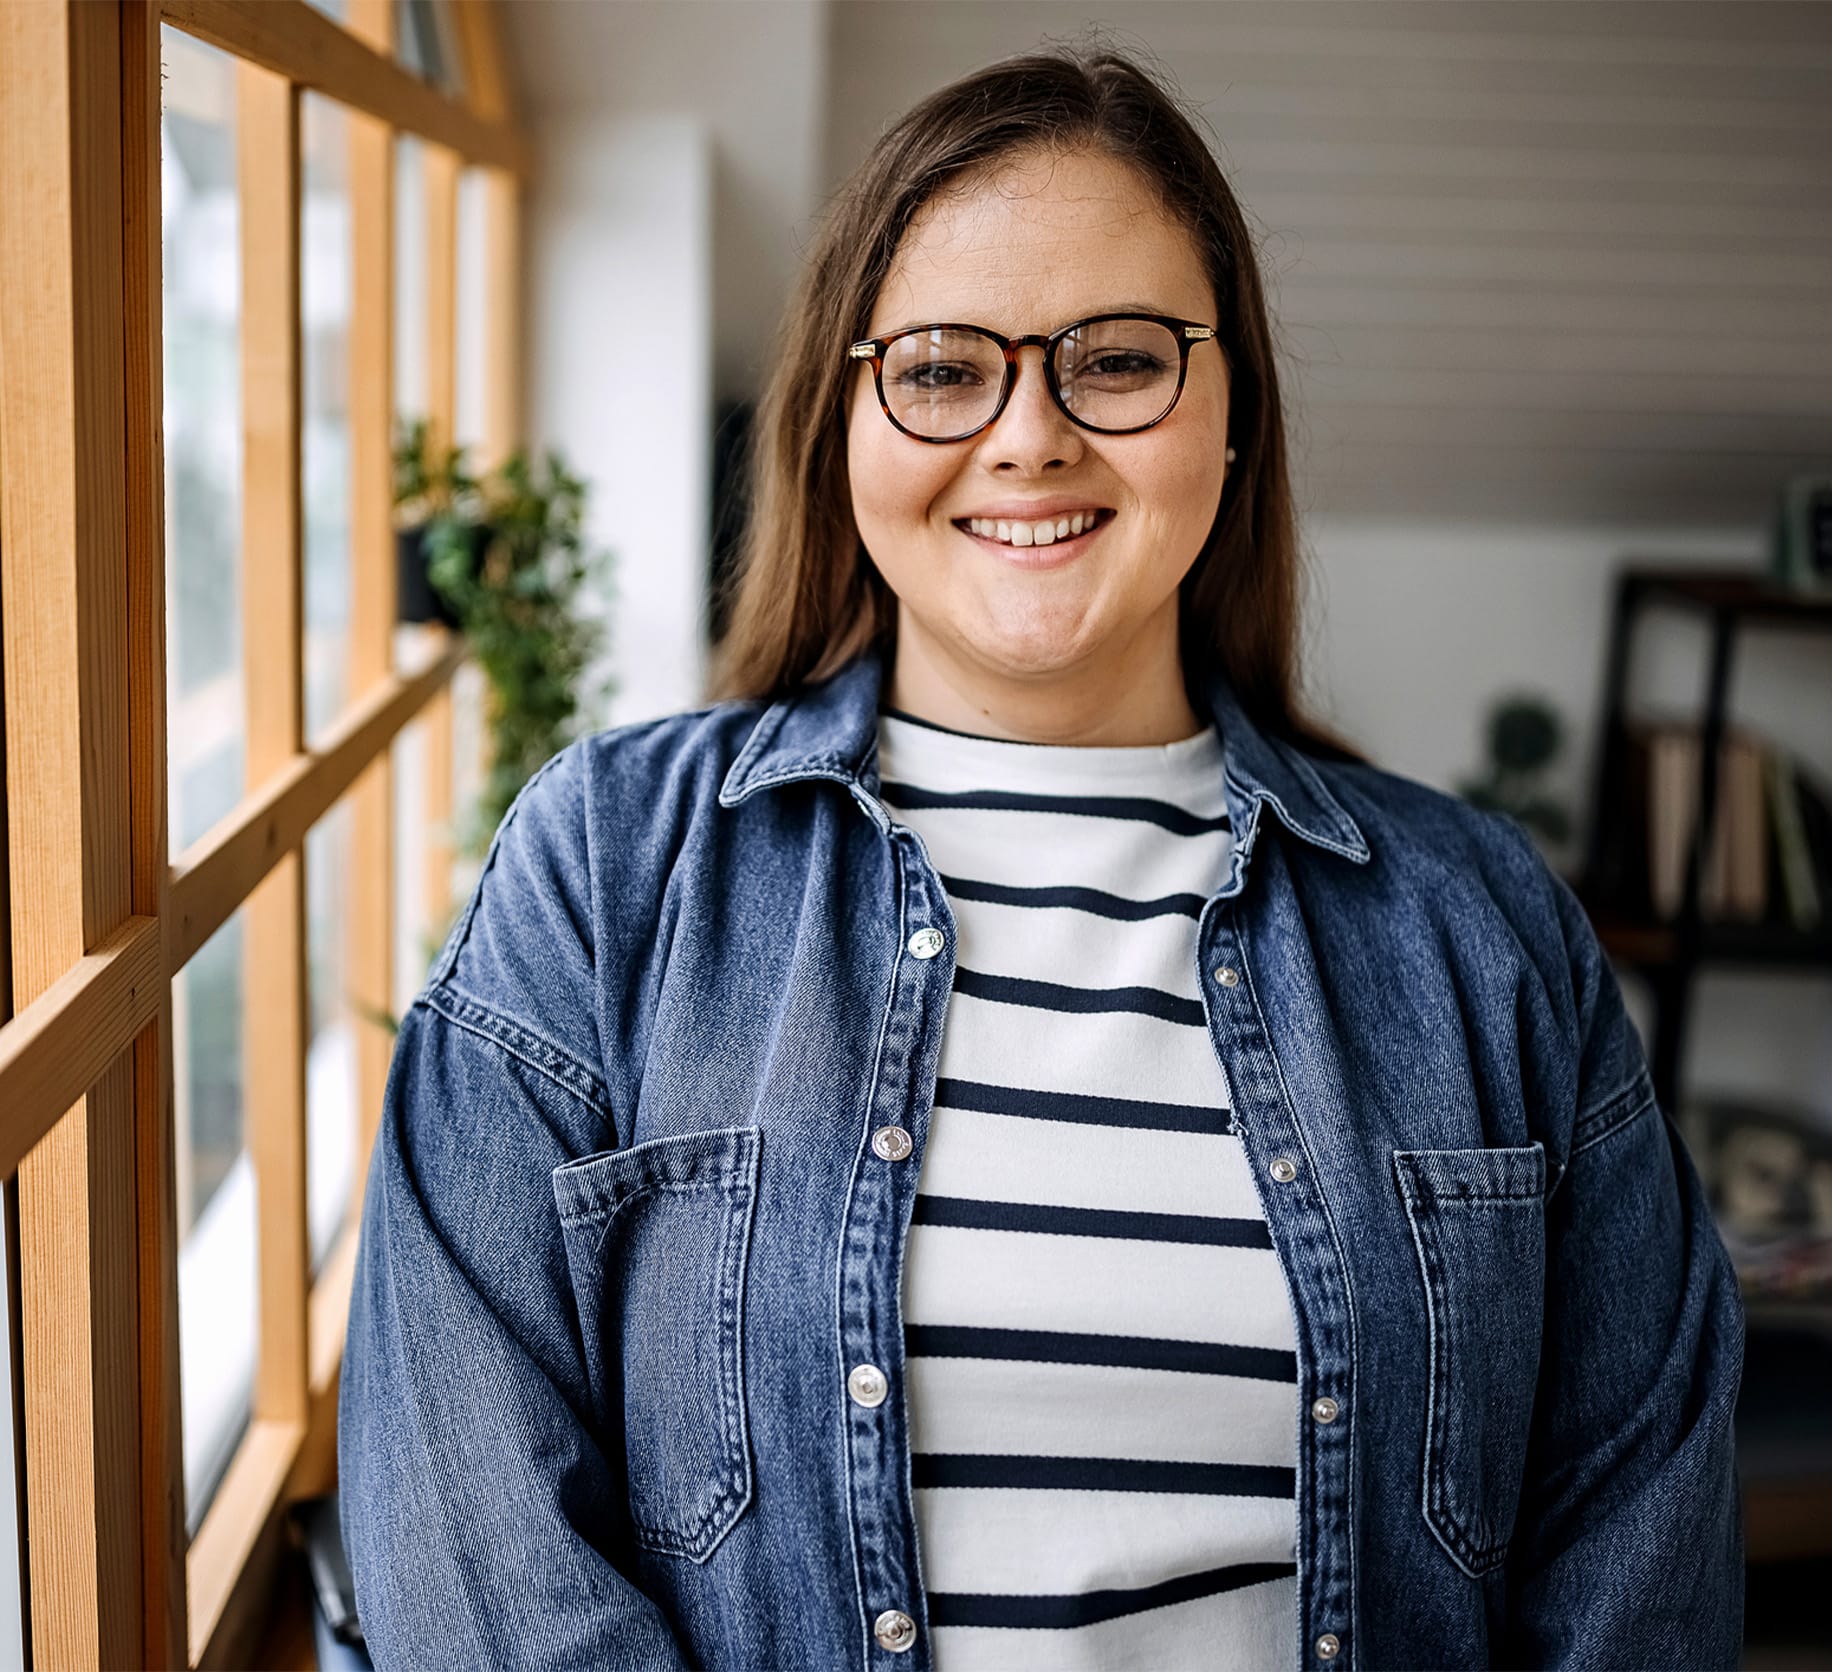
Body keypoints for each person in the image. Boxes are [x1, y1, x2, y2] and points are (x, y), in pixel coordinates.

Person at [339, 45, 1746, 1672]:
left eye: (1120, 360)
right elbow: (467, 1548)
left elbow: (1642, 1558)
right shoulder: (605, 874)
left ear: (1232, 415)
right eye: (943, 370)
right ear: (840, 419)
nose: (1030, 436)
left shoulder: (1485, 933)